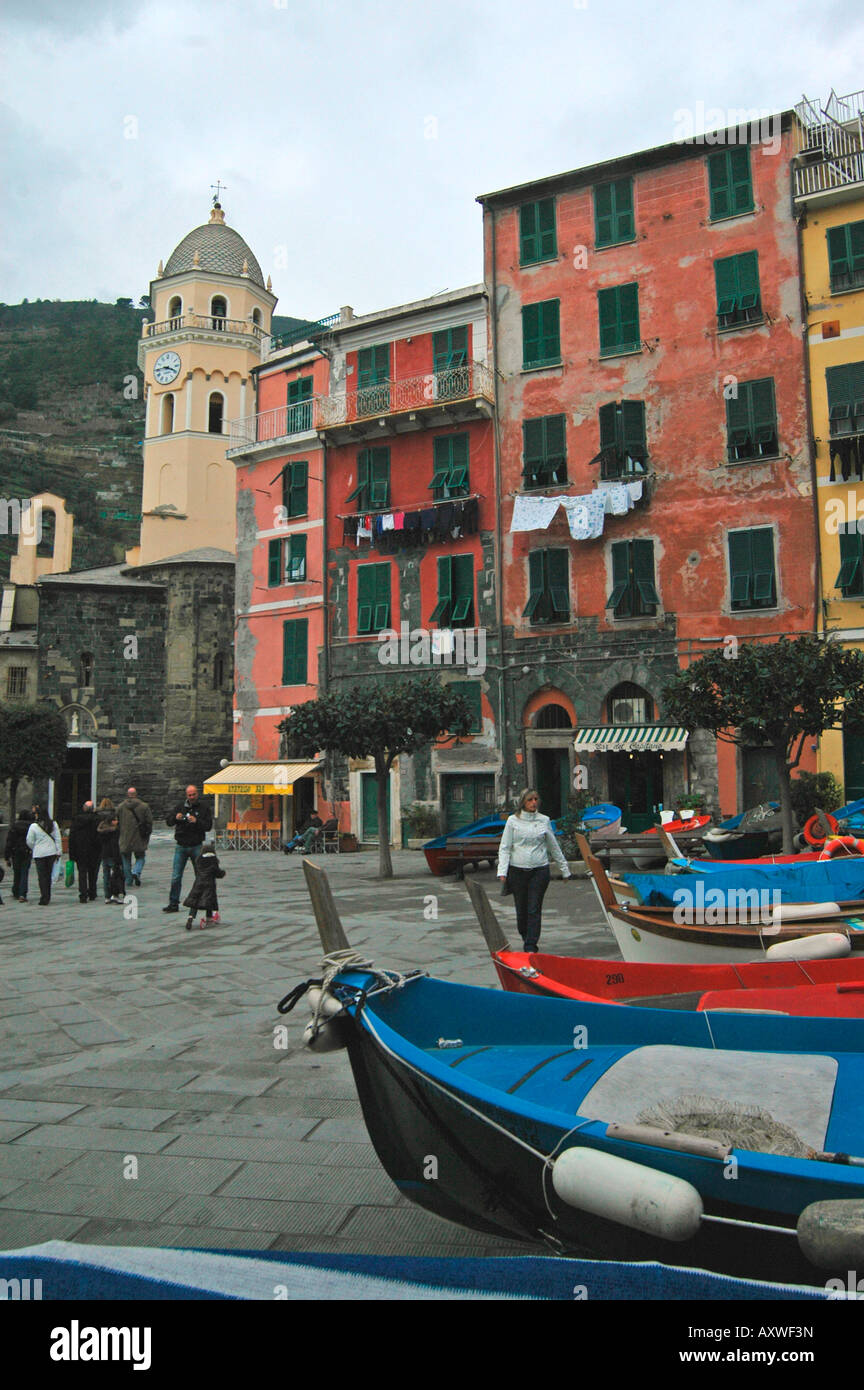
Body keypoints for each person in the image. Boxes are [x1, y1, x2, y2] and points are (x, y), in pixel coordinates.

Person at [497, 789, 572, 952]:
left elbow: (553, 846)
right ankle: (525, 935)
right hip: (517, 871)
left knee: (534, 908)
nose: (533, 803)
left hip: (539, 870)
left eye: (536, 799)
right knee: (522, 909)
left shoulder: (544, 820)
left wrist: (564, 868)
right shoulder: (512, 821)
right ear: (523, 802)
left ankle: (531, 945)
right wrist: (502, 871)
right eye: (530, 800)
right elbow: (505, 847)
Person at [163, 784, 213, 913]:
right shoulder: (180, 807)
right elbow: (168, 821)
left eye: (193, 794)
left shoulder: (204, 808)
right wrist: (176, 817)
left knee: (200, 875)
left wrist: (196, 821)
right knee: (176, 876)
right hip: (181, 845)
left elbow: (208, 826)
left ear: (197, 794)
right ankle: (173, 903)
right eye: (189, 795)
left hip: (196, 845)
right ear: (186, 795)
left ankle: (201, 901)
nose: (191, 797)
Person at [182, 841, 226, 929]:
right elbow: (216, 872)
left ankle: (190, 917)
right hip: (209, 884)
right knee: (209, 900)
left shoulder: (199, 859)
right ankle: (209, 918)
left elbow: (198, 871)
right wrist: (222, 873)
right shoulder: (213, 860)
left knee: (195, 902)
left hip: (198, 883)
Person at [26, 804, 62, 907]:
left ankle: (44, 896)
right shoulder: (53, 824)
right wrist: (58, 851)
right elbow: (58, 838)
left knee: (42, 876)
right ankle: (48, 895)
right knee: (49, 874)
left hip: (39, 853)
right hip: (51, 852)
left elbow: (29, 841)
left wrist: (35, 847)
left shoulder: (34, 826)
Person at [117, 787, 153, 888]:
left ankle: (128, 881)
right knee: (141, 857)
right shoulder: (144, 806)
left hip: (125, 837)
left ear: (128, 794)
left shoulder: (120, 807)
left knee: (126, 859)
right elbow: (149, 821)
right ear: (136, 794)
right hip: (139, 837)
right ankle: (136, 872)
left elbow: (117, 821)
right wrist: (148, 833)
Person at [68, 800, 102, 903]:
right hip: (94, 850)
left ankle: (83, 894)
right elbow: (99, 836)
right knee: (93, 872)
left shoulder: (77, 820)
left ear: (84, 808)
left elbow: (72, 837)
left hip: (80, 850)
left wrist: (72, 853)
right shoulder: (97, 820)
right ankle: (92, 892)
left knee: (82, 872)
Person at [96, 798, 125, 904]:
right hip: (112, 854)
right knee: (115, 874)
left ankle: (107, 896)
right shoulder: (114, 831)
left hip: (104, 853)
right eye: (116, 820)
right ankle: (115, 894)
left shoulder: (101, 830)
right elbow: (115, 845)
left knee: (106, 875)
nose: (117, 821)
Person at [4, 808, 34, 901]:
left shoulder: (14, 826)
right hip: (26, 851)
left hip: (16, 851)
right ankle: (22, 894)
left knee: (17, 872)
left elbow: (9, 841)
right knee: (24, 872)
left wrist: (7, 856)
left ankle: (15, 891)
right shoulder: (31, 826)